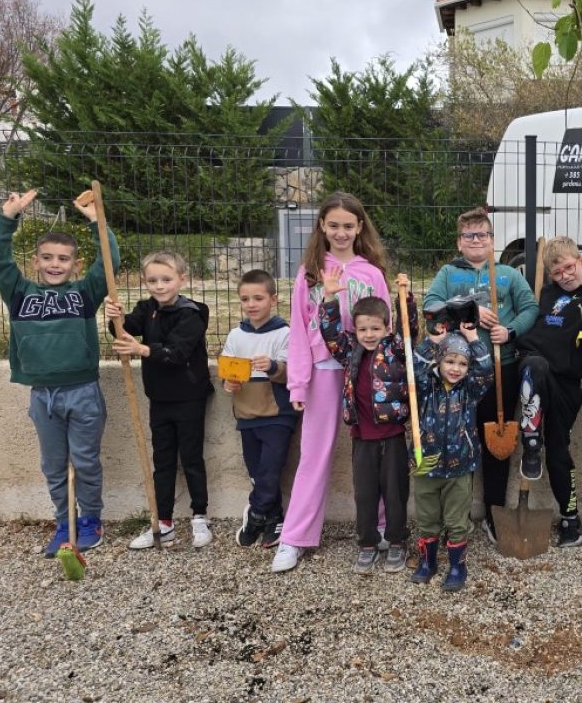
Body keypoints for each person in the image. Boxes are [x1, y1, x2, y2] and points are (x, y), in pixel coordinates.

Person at [0, 189, 119, 557]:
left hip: (83, 392)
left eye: (63, 259)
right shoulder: (19, 293)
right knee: (53, 465)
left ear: (75, 264)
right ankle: (65, 523)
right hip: (42, 395)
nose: (55, 264)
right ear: (36, 262)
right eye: (47, 258)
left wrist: (97, 221)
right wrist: (7, 218)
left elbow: (109, 262)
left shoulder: (85, 293)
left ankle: (91, 521)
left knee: (86, 460)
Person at [272, 192, 391, 573]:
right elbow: (298, 332)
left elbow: (386, 328)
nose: (341, 232)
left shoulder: (371, 273)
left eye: (348, 226)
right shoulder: (309, 273)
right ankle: (295, 537)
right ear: (322, 226)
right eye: (334, 225)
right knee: (314, 454)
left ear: (360, 228)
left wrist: (389, 375)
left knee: (377, 450)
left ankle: (386, 529)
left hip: (366, 373)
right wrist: (298, 383)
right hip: (323, 373)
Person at [423, 208, 538, 546]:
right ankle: (452, 517)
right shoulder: (448, 273)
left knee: (495, 443)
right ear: (460, 242)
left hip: (499, 371)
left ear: (492, 240)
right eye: (470, 236)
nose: (477, 240)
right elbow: (431, 305)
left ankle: (493, 513)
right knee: (454, 440)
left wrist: (510, 330)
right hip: (456, 372)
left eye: (483, 235)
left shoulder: (507, 275)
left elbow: (530, 308)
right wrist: (469, 308)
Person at [106, 251, 213, 549]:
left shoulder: (192, 313)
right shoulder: (147, 309)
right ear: (145, 282)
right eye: (152, 280)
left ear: (182, 279)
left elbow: (177, 353)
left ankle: (199, 516)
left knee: (191, 458)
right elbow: (124, 332)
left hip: (189, 397)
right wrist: (116, 318)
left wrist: (141, 350)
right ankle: (162, 521)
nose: (159, 286)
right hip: (159, 399)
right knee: (162, 461)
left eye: (166, 279)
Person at [514, 237, 582, 548]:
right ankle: (531, 438)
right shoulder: (545, 295)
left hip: (569, 384)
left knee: (558, 448)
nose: (565, 276)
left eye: (569, 267)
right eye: (557, 272)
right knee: (534, 364)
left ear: (581, 260)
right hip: (537, 374)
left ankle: (570, 520)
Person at [319, 271, 416, 575]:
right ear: (356, 330)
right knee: (365, 495)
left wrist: (407, 299)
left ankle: (397, 542)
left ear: (386, 328)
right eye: (363, 329)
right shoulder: (351, 352)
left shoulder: (395, 349)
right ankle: (367, 544)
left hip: (392, 435)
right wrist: (330, 298)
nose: (370, 334)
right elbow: (331, 335)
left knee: (395, 493)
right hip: (362, 437)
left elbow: (409, 329)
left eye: (376, 328)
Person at [408, 323, 493, 592]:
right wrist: (431, 341)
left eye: (462, 363)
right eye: (449, 361)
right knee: (427, 517)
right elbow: (414, 366)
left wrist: (473, 339)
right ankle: (428, 561)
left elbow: (486, 370)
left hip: (460, 465)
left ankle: (458, 566)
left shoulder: (470, 389)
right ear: (439, 360)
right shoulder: (424, 385)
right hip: (426, 464)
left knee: (457, 520)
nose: (455, 368)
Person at [220, 269, 296, 549]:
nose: (251, 304)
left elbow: (293, 373)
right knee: (257, 471)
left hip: (277, 414)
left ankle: (254, 513)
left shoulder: (285, 333)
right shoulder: (235, 334)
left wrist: (274, 367)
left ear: (273, 299)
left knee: (271, 469)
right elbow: (228, 370)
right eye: (245, 299)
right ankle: (273, 515)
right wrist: (229, 383)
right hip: (246, 414)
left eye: (258, 298)